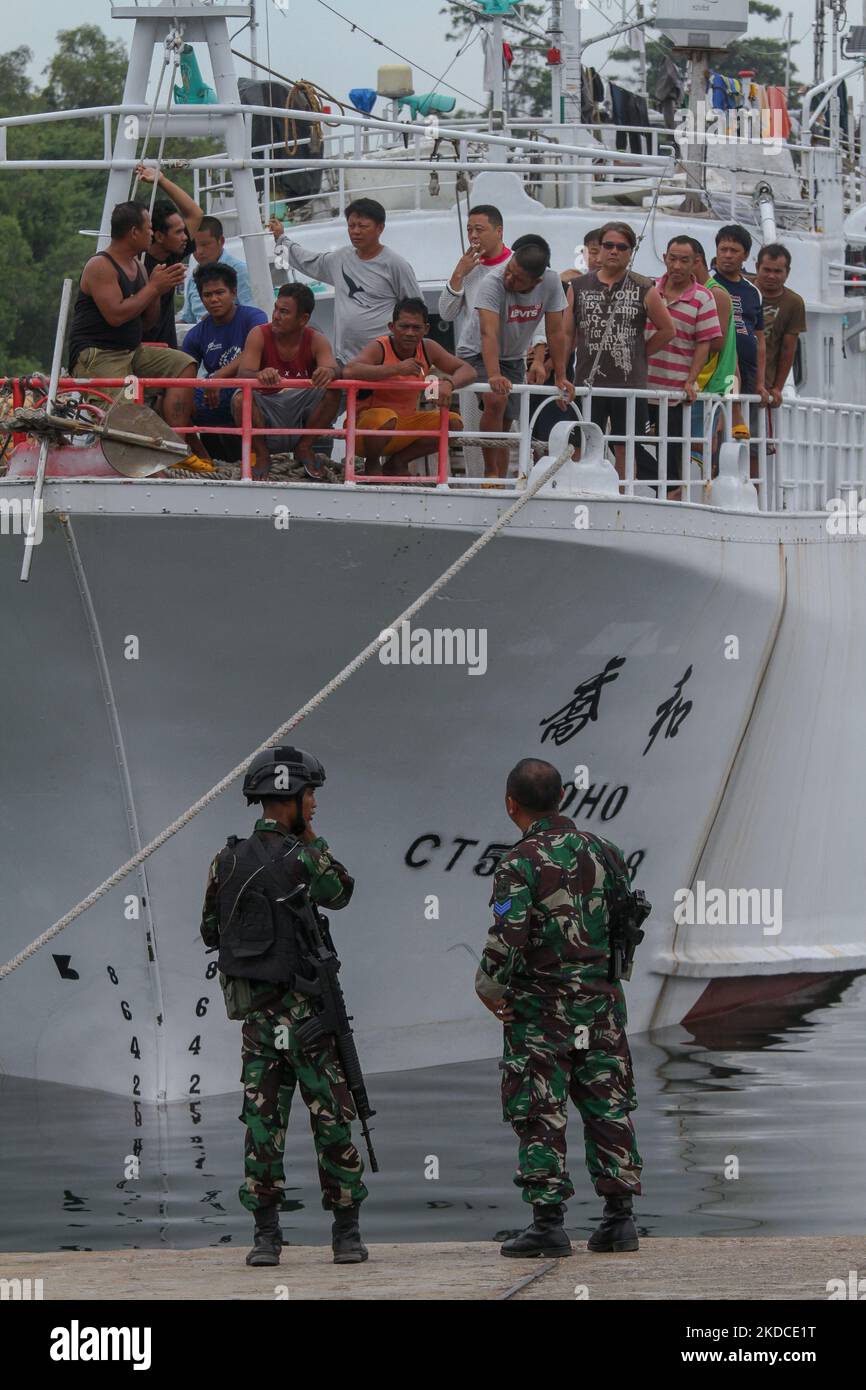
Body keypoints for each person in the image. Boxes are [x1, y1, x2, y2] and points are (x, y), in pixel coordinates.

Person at [200, 746, 368, 1267]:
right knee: (333, 1121)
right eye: (309, 795)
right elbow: (341, 893)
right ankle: (345, 1235)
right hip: (308, 1019)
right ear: (290, 799)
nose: (314, 805)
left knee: (262, 1125)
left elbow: (210, 930)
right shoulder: (303, 858)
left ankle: (266, 1237)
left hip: (258, 1022)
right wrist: (311, 842)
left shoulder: (225, 860)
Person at [476, 758, 642, 1259]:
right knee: (607, 1105)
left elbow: (508, 935)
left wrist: (490, 990)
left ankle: (548, 1224)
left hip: (541, 1012)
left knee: (541, 1110)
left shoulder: (518, 863)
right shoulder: (607, 852)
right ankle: (620, 1221)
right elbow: (625, 924)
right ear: (563, 799)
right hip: (603, 1006)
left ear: (511, 805)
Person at [68, 199, 209, 461]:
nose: (152, 233)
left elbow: (148, 322)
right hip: (99, 355)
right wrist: (153, 288)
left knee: (183, 364)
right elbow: (116, 315)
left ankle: (177, 445)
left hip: (131, 351)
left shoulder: (139, 267)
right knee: (123, 412)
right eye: (148, 228)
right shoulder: (100, 266)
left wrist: (157, 289)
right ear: (134, 232)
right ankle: (139, 455)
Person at [456, 237, 574, 478]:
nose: (509, 279)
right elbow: (488, 333)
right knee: (495, 400)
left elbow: (555, 331)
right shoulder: (493, 282)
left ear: (536, 280)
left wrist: (561, 377)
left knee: (507, 419)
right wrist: (494, 375)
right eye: (509, 271)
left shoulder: (550, 282)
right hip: (475, 352)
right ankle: (490, 474)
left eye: (518, 278)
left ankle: (501, 478)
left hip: (512, 357)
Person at [569, 221, 675, 477]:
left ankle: (622, 491)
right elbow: (565, 332)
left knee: (626, 445)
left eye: (621, 247)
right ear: (599, 248)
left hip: (628, 383)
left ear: (630, 251)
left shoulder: (644, 288)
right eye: (608, 246)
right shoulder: (579, 286)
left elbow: (667, 329)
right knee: (580, 441)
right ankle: (577, 486)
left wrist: (641, 354)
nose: (614, 251)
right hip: (587, 381)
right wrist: (563, 373)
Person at [269, 198, 421, 365]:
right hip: (345, 359)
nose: (355, 231)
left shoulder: (395, 264)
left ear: (380, 228)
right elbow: (308, 261)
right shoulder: (340, 259)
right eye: (351, 226)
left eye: (362, 226)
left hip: (385, 360)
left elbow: (416, 309)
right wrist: (281, 238)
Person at [343, 297, 475, 476]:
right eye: (404, 326)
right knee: (386, 417)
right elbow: (350, 370)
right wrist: (396, 368)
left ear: (426, 329)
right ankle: (372, 464)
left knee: (453, 422)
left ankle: (398, 462)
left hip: (403, 426)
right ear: (392, 327)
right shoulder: (380, 346)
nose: (410, 333)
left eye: (416, 327)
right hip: (365, 430)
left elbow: (468, 370)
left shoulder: (429, 348)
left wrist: (449, 384)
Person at [232, 282, 341, 480]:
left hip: (300, 410)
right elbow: (243, 374)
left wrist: (328, 371)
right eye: (275, 309)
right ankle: (262, 454)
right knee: (240, 399)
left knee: (334, 390)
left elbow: (334, 368)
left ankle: (304, 447)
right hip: (267, 407)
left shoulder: (316, 339)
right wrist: (259, 375)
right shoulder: (259, 334)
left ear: (303, 319)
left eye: (284, 312)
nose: (275, 316)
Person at [646, 237, 721, 498]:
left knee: (672, 450)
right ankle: (664, 489)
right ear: (665, 257)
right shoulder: (650, 289)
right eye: (672, 258)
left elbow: (705, 343)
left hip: (675, 391)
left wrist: (691, 380)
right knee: (625, 439)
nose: (676, 265)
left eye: (684, 260)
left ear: (695, 263)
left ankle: (670, 493)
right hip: (642, 384)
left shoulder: (703, 297)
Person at [181, 263, 268, 462]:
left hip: (250, 392)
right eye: (207, 295)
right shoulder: (196, 334)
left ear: (234, 292)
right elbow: (184, 372)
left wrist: (219, 376)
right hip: (214, 395)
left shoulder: (253, 317)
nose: (213, 300)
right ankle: (201, 458)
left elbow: (255, 350)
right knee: (175, 401)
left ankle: (257, 458)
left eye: (220, 292)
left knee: (242, 398)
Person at [136, 165, 204, 348]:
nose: (185, 237)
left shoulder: (172, 254)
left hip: (167, 348)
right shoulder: (136, 264)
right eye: (178, 232)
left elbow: (196, 214)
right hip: (140, 350)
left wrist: (162, 180)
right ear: (159, 236)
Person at [712, 224, 769, 437]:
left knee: (744, 433)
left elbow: (760, 339)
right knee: (720, 427)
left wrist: (761, 383)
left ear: (745, 255)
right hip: (721, 368)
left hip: (749, 370)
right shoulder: (709, 284)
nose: (727, 255)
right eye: (723, 249)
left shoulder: (753, 292)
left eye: (733, 251)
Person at [437, 204, 511, 340]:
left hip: (509, 351)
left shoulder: (516, 263)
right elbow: (446, 314)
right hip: (473, 353)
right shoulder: (466, 267)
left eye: (479, 230)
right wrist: (458, 274)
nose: (473, 236)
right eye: (469, 230)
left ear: (499, 232)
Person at [752, 243, 806, 405]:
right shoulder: (744, 290)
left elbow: (788, 349)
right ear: (757, 267)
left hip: (764, 387)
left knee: (754, 430)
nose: (771, 276)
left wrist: (777, 388)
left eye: (777, 271)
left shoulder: (794, 303)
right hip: (733, 379)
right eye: (767, 270)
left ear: (787, 272)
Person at [183, 215, 254, 323]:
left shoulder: (240, 271)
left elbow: (251, 314)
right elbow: (187, 319)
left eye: (205, 244)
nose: (199, 251)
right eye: (194, 246)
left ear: (221, 241)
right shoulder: (194, 277)